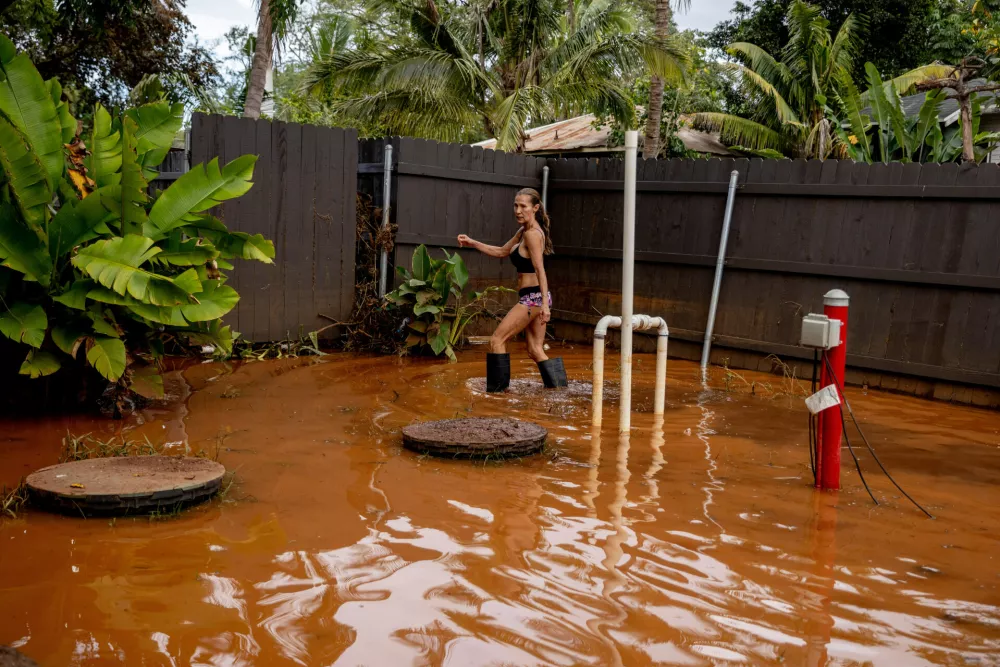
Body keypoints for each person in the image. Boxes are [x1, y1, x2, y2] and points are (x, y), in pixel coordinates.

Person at [457, 188, 568, 392]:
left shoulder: (533, 235)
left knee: (497, 340)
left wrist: (544, 304)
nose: (517, 210)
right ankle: (560, 389)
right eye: (515, 205)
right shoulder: (523, 232)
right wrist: (472, 242)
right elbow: (501, 251)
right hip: (533, 298)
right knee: (535, 350)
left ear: (535, 208)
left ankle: (498, 395)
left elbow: (540, 270)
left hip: (533, 299)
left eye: (523, 206)